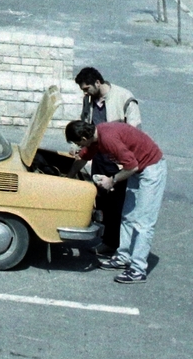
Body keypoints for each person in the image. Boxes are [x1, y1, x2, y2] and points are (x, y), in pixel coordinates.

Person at [65, 118, 166, 284]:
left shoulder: (108, 139)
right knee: (128, 216)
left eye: (78, 144)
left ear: (84, 139)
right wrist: (68, 178)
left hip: (151, 168)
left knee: (143, 222)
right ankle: (123, 257)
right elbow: (83, 158)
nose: (79, 147)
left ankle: (138, 269)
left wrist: (111, 180)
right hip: (137, 168)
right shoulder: (95, 139)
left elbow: (131, 166)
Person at [74, 67, 141, 256]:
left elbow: (135, 131)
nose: (85, 93)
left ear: (97, 82)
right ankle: (107, 240)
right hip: (99, 157)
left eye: (87, 88)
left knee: (116, 205)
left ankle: (116, 245)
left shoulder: (124, 97)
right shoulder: (89, 100)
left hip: (118, 161)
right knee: (102, 201)